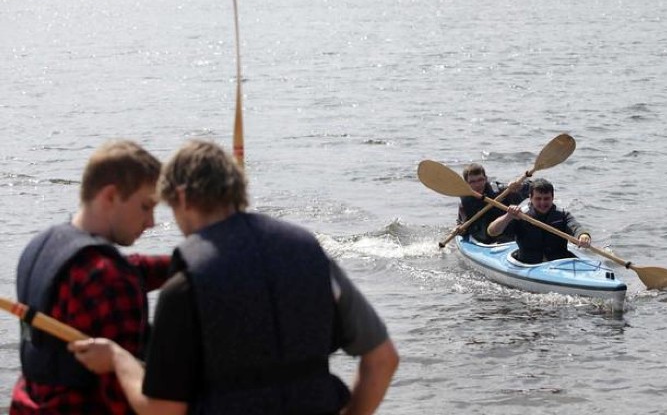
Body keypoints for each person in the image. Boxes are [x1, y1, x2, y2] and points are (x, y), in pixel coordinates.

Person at [70, 140, 399, 415]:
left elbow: (162, 410)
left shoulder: (187, 284)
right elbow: (382, 360)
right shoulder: (309, 254)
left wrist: (117, 359)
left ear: (182, 197)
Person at [11, 140, 171, 414]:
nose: (151, 222)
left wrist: (192, 262)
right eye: (146, 207)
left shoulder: (40, 248)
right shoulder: (110, 280)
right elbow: (127, 401)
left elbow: (131, 267)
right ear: (110, 196)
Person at [486, 178, 591, 264]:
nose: (542, 203)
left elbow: (575, 227)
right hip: (529, 264)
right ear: (530, 198)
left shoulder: (562, 215)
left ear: (552, 198)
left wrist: (583, 236)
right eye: (538, 198)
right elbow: (492, 231)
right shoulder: (520, 215)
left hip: (559, 264)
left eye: (546, 198)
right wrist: (508, 216)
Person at [456, 163, 529, 243]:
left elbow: (532, 189)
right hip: (483, 237)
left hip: (506, 234)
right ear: (466, 183)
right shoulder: (465, 203)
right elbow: (463, 227)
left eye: (480, 180)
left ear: (486, 178)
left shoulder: (500, 191)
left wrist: (520, 186)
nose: (477, 185)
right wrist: (460, 230)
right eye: (472, 182)